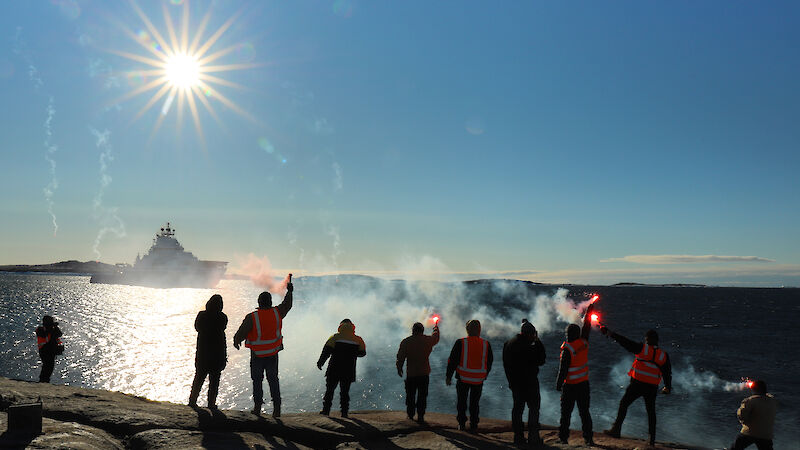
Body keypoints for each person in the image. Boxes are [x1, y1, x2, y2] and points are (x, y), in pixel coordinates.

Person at [601, 327, 672, 447]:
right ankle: (652, 439)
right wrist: (667, 387)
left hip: (637, 384)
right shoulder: (663, 355)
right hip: (652, 387)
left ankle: (616, 430)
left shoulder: (642, 349)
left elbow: (625, 342)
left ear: (647, 339)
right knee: (651, 412)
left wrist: (610, 333)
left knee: (624, 404)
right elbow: (667, 372)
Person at [233, 277, 293, 417]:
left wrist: (237, 340)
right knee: (273, 380)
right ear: (270, 302)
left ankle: (257, 407)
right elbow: (287, 305)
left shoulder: (252, 317)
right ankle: (277, 409)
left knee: (257, 381)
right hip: (273, 354)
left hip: (257, 355)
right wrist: (289, 292)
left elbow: (241, 332)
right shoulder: (277, 312)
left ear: (258, 303)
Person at [556, 303, 595, 445]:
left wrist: (558, 384)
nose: (566, 336)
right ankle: (589, 438)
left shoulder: (567, 349)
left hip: (570, 387)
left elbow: (563, 370)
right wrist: (591, 309)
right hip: (584, 385)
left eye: (567, 334)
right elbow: (587, 326)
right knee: (585, 413)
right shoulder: (584, 342)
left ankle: (563, 438)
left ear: (569, 335)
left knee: (565, 414)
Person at [503, 319, 546, 447]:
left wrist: (510, 382)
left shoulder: (509, 343)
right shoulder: (530, 346)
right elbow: (541, 360)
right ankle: (533, 437)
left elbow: (506, 364)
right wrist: (538, 341)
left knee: (517, 410)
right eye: (533, 334)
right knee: (534, 409)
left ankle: (518, 437)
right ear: (529, 334)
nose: (534, 336)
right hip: (530, 383)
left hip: (516, 384)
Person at [446, 319, 493, 432]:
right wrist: (485, 375)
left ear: (467, 330)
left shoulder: (461, 342)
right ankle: (474, 424)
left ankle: (462, 424)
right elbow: (490, 362)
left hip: (463, 378)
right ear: (479, 330)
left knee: (462, 402)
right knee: (475, 403)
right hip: (478, 380)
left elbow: (452, 361)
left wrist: (448, 376)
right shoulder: (486, 344)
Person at [317, 318, 366, 418]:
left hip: (334, 368)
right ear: (352, 327)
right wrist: (351, 353)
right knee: (345, 392)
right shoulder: (358, 339)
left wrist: (320, 362)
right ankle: (344, 413)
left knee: (329, 390)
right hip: (349, 369)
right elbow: (362, 353)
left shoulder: (335, 337)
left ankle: (326, 411)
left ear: (341, 326)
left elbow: (326, 351)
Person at [396, 321, 440, 423]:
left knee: (410, 395)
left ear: (413, 330)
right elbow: (436, 338)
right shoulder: (427, 340)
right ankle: (421, 416)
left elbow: (400, 357)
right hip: (424, 374)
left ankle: (410, 415)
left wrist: (399, 368)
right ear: (422, 330)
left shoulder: (406, 342)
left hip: (411, 374)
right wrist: (436, 328)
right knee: (422, 396)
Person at [189, 294, 228, 409]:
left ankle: (192, 401)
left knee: (198, 378)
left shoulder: (202, 315)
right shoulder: (223, 317)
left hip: (203, 354)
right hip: (217, 355)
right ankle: (211, 404)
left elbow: (197, 327)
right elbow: (223, 327)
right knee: (214, 381)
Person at [730, 380, 777, 450]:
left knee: (736, 447)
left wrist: (745, 423)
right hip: (766, 434)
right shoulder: (772, 400)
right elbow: (768, 396)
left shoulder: (750, 401)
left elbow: (741, 415)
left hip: (750, 432)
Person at [35, 315, 63, 383]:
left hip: (51, 351)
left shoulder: (53, 329)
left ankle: (45, 380)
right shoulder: (40, 329)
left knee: (50, 367)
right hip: (44, 350)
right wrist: (51, 327)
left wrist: (55, 327)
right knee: (47, 366)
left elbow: (59, 334)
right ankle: (43, 380)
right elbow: (44, 334)